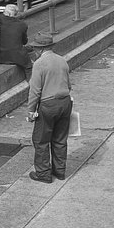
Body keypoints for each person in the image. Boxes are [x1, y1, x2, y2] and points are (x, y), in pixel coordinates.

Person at [26, 32, 72, 184]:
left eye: (35, 48)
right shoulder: (62, 60)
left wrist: (31, 111)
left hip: (48, 104)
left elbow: (35, 90)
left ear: (40, 49)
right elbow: (69, 85)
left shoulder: (39, 64)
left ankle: (44, 173)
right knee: (60, 139)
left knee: (41, 140)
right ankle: (60, 171)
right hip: (65, 102)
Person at [0, 4, 32, 80]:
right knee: (29, 67)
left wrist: (5, 14)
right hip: (16, 55)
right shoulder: (22, 25)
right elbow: (24, 42)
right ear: (16, 14)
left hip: (0, 56)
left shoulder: (1, 19)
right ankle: (31, 85)